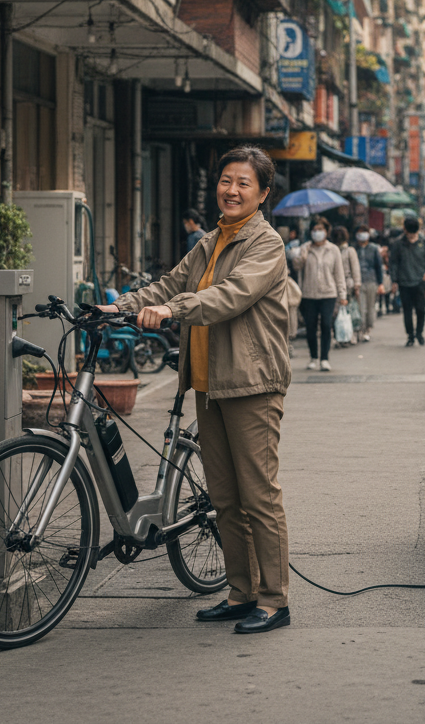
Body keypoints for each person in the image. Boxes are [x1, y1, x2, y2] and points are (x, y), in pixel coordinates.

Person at [104, 146, 292, 634]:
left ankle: (274, 600)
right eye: (226, 180)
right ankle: (240, 592)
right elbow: (167, 285)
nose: (231, 190)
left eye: (243, 183)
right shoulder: (210, 241)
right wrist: (120, 306)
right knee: (225, 499)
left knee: (259, 497)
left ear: (263, 193)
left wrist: (173, 310)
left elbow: (230, 296)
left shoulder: (265, 245)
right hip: (208, 386)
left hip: (251, 385)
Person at [292, 216, 347, 372]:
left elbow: (339, 274)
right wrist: (302, 254)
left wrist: (343, 295)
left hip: (328, 293)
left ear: (326, 232)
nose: (317, 233)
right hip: (308, 294)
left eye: (320, 230)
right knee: (310, 327)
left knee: (326, 324)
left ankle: (324, 359)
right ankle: (313, 357)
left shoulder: (333, 250)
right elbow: (296, 267)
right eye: (315, 230)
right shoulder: (305, 248)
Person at [389, 216, 425, 347]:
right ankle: (410, 335)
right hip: (404, 282)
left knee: (421, 310)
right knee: (407, 311)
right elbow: (393, 263)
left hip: (420, 282)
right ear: (405, 230)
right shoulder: (398, 244)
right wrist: (394, 281)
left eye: (413, 233)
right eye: (409, 233)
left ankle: (419, 333)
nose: (411, 236)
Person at [354, 226, 384, 341]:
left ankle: (368, 328)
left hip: (372, 281)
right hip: (358, 282)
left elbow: (378, 267)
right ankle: (360, 329)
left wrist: (380, 283)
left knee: (370, 307)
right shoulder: (354, 249)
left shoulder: (374, 248)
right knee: (361, 308)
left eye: (364, 233)